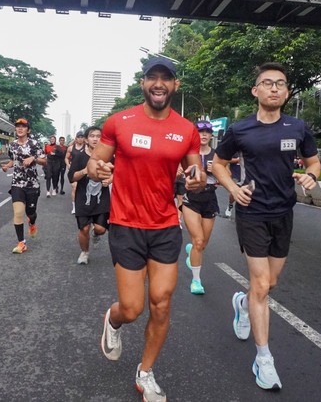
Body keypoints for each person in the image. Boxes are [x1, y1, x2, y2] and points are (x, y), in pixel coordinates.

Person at [88, 57, 205, 402]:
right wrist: (97, 170)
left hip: (165, 225)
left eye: (166, 78)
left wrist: (197, 180)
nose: (159, 83)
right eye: (152, 77)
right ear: (143, 83)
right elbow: (96, 161)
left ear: (175, 85)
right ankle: (113, 319)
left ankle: (146, 371)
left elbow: (195, 170)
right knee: (132, 308)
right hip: (126, 224)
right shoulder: (119, 122)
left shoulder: (186, 129)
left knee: (162, 303)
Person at [212, 62, 321, 391]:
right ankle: (264, 359)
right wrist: (233, 189)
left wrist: (311, 175)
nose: (274, 88)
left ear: (286, 93)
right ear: (255, 90)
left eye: (280, 84)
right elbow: (218, 163)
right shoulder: (240, 129)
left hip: (283, 212)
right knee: (260, 284)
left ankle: (242, 304)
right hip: (252, 212)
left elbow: (314, 161)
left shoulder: (297, 127)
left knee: (269, 283)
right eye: (268, 83)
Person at [183, 120, 219, 295]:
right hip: (191, 199)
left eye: (207, 132)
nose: (204, 134)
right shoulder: (188, 153)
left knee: (202, 244)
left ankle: (192, 251)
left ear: (211, 135)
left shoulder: (217, 155)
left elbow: (226, 176)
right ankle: (196, 281)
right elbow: (177, 170)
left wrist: (217, 170)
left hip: (210, 198)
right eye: (200, 131)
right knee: (197, 241)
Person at [1, 118, 46, 254]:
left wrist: (34, 158)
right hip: (17, 183)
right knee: (18, 212)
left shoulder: (34, 144)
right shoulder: (13, 145)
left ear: (28, 130)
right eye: (18, 126)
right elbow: (13, 160)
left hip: (32, 184)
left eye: (23, 126)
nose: (20, 128)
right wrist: (7, 166)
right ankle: (21, 242)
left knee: (31, 213)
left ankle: (32, 223)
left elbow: (44, 161)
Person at [68, 126, 111, 264]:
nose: (95, 139)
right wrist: (85, 171)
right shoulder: (80, 156)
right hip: (83, 198)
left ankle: (96, 234)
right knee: (84, 228)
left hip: (101, 199)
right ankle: (84, 252)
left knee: (101, 229)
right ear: (86, 139)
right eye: (92, 136)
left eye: (98, 136)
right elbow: (71, 177)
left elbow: (118, 172)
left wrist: (109, 180)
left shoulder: (108, 156)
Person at [66, 131, 86, 214]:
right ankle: (74, 206)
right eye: (79, 137)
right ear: (76, 138)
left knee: (84, 188)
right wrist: (68, 165)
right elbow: (66, 158)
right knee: (74, 188)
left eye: (82, 137)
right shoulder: (71, 148)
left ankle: (83, 204)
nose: (80, 139)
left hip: (84, 170)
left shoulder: (87, 147)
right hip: (73, 170)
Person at [224, 153, 240, 218]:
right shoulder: (235, 151)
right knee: (233, 193)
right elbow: (227, 160)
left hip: (247, 175)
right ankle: (230, 205)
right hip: (235, 175)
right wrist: (237, 160)